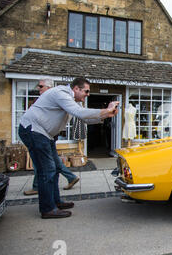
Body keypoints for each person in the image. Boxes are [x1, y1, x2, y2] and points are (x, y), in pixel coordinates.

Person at [18, 77, 119, 219]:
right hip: (34, 131)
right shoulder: (61, 94)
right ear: (76, 89)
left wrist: (107, 114)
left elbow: (84, 119)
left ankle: (56, 202)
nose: (88, 94)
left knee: (55, 169)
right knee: (47, 170)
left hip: (45, 135)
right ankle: (48, 209)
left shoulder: (69, 100)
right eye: (86, 91)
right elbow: (81, 113)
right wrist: (106, 110)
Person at [23, 79, 80, 196]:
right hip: (42, 132)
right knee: (50, 163)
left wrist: (101, 113)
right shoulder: (48, 98)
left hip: (43, 133)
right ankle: (68, 180)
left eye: (41, 86)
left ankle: (42, 192)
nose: (39, 88)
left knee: (44, 165)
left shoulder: (56, 96)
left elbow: (77, 113)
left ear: (49, 88)